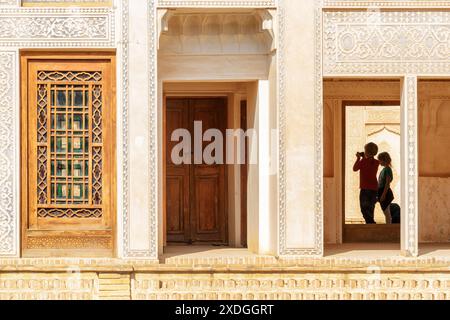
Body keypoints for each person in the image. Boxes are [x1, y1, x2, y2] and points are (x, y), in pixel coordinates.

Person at [353, 142, 379, 224]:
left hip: (365, 188)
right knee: (371, 208)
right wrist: (364, 157)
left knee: (364, 208)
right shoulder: (377, 162)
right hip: (374, 188)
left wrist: (358, 158)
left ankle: (371, 223)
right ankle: (371, 224)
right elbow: (370, 162)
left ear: (366, 152)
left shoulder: (363, 161)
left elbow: (355, 169)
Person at [377, 152, 395, 224]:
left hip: (385, 192)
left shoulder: (387, 169)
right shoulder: (384, 169)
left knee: (387, 213)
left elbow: (387, 183)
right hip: (382, 191)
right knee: (386, 212)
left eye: (380, 160)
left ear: (384, 160)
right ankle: (388, 226)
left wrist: (383, 194)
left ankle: (389, 227)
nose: (379, 162)